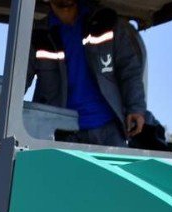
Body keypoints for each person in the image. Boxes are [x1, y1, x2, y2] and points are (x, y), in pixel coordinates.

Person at [28, 0, 146, 147]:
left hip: (109, 132)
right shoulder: (37, 36)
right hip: (59, 135)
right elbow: (18, 81)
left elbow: (129, 69)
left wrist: (136, 108)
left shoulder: (106, 22)